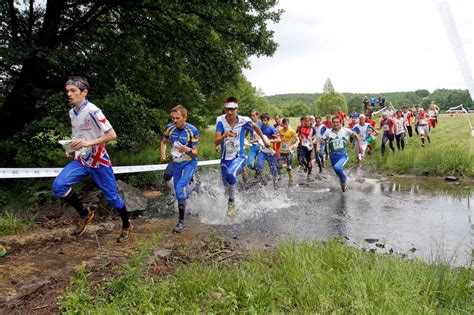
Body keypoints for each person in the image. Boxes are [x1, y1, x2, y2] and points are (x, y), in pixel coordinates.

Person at [52, 76, 131, 242]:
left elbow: (112, 135)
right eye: (67, 91)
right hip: (82, 160)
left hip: (99, 161)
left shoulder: (93, 110)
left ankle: (126, 225)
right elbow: (78, 135)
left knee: (114, 199)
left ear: (84, 92)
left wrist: (88, 142)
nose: (69, 94)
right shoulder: (72, 113)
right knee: (59, 186)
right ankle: (85, 214)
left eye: (73, 91)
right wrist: (71, 149)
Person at [215, 97, 269, 217]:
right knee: (226, 187)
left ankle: (232, 204)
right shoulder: (220, 121)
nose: (230, 112)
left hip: (239, 157)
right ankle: (233, 205)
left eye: (232, 109)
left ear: (237, 109)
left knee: (231, 174)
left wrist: (264, 140)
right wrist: (224, 136)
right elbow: (216, 141)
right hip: (225, 159)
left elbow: (255, 126)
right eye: (228, 109)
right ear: (225, 108)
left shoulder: (244, 120)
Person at [161, 105, 200, 233]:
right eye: (172, 118)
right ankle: (194, 187)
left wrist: (188, 149)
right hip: (176, 162)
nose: (174, 121)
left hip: (189, 162)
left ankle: (181, 223)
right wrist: (163, 154)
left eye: (177, 118)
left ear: (185, 117)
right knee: (179, 192)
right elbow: (163, 142)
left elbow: (195, 153)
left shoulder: (192, 130)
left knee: (180, 188)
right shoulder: (169, 128)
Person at [318, 116, 362, 192]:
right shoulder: (328, 132)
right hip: (332, 156)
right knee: (337, 172)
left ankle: (345, 179)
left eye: (337, 122)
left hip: (343, 155)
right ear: (332, 123)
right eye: (334, 122)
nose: (335, 124)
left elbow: (356, 136)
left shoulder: (345, 130)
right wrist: (318, 147)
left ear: (340, 123)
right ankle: (343, 189)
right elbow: (320, 141)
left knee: (337, 167)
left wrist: (360, 146)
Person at [256, 113, 281, 188]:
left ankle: (276, 185)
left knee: (273, 169)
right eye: (263, 120)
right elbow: (259, 138)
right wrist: (254, 141)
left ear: (268, 120)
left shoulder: (272, 129)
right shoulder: (259, 128)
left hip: (270, 152)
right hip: (262, 151)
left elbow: (279, 140)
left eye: (265, 120)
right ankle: (264, 180)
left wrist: (270, 141)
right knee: (259, 165)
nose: (264, 122)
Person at [278, 118, 299, 186]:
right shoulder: (280, 130)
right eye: (284, 124)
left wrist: (294, 145)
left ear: (288, 124)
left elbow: (297, 140)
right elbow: (279, 138)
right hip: (282, 151)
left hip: (289, 151)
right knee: (279, 165)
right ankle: (283, 174)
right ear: (282, 124)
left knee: (288, 167)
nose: (285, 126)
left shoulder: (292, 131)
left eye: (286, 124)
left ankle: (290, 179)